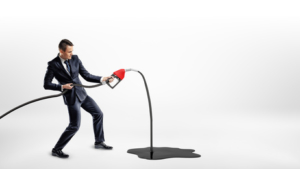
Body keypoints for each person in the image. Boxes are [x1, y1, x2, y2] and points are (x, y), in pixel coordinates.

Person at [44, 39, 114, 158]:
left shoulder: (75, 59)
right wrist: (62, 86)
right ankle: (56, 149)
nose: (72, 54)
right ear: (61, 51)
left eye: (72, 51)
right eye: (69, 52)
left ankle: (99, 142)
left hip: (82, 94)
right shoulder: (53, 64)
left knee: (98, 113)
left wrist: (103, 78)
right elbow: (46, 84)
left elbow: (87, 75)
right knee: (74, 125)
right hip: (71, 98)